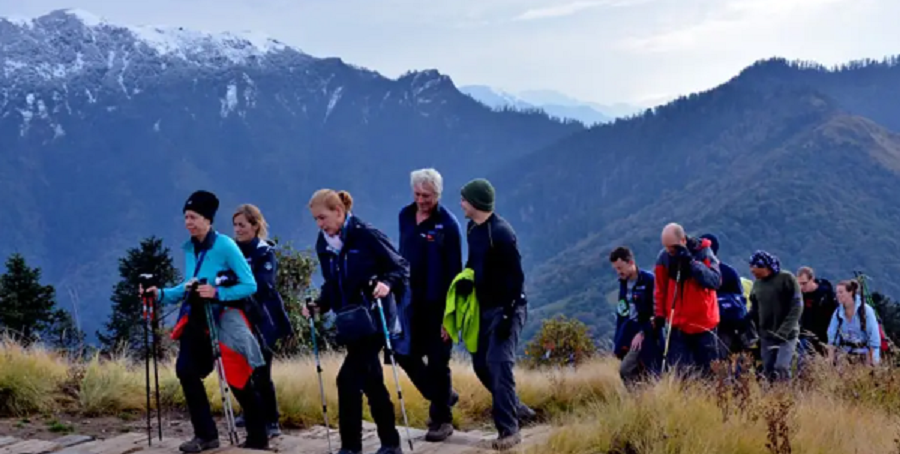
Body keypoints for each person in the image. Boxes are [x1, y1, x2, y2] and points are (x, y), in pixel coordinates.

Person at [142, 190, 269, 452]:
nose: (188, 222)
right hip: (196, 318)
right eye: (186, 217)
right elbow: (190, 285)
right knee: (186, 371)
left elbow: (250, 284)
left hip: (223, 317)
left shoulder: (225, 246)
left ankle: (258, 436)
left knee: (238, 378)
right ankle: (206, 436)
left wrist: (217, 292)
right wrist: (161, 294)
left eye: (194, 217)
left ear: (208, 220)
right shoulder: (191, 248)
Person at [305, 189, 408, 454]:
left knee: (347, 380)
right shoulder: (324, 242)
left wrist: (387, 284)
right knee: (372, 382)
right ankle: (390, 443)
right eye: (316, 219)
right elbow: (332, 282)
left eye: (322, 217)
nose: (320, 224)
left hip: (374, 319)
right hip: (349, 322)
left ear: (339, 212)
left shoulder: (366, 234)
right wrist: (320, 305)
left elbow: (400, 267)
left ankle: (351, 448)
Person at [457, 178, 534, 451]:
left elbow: (516, 277)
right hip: (484, 308)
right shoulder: (472, 229)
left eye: (464, 199)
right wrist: (467, 279)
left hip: (508, 309)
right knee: (481, 365)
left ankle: (509, 431)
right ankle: (517, 408)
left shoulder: (501, 233)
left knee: (499, 364)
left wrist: (507, 316)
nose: (461, 203)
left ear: (476, 202)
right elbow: (473, 261)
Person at [397, 168, 462, 442]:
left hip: (438, 304)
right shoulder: (404, 216)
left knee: (438, 361)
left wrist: (450, 317)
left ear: (438, 194)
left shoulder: (448, 225)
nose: (422, 199)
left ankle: (441, 420)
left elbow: (455, 273)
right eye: (418, 194)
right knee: (404, 354)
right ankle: (444, 395)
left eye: (428, 195)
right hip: (410, 301)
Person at [232, 204, 294, 438]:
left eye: (242, 225)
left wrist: (235, 284)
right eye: (235, 225)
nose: (237, 229)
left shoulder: (264, 251)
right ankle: (249, 412)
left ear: (255, 226)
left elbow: (263, 284)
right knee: (241, 367)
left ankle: (272, 420)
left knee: (261, 370)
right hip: (239, 316)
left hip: (264, 318)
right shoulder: (232, 250)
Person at [653, 223, 721, 376]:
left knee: (709, 373)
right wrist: (659, 315)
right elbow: (659, 289)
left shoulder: (704, 252)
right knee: (680, 374)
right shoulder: (664, 258)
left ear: (683, 240)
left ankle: (711, 399)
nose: (670, 251)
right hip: (677, 325)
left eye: (673, 247)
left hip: (704, 325)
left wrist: (692, 264)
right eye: (666, 247)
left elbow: (715, 281)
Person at [747, 250, 803, 382]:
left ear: (764, 267)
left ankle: (785, 396)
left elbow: (797, 306)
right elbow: (755, 309)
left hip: (787, 335)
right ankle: (771, 398)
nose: (751, 270)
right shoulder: (757, 285)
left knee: (781, 367)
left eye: (753, 267)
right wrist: (745, 322)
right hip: (766, 335)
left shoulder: (786, 279)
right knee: (768, 369)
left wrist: (784, 330)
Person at [608, 246, 660, 385]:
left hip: (647, 334)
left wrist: (643, 332)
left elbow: (658, 311)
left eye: (620, 268)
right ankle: (638, 400)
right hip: (628, 332)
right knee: (634, 371)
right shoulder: (623, 284)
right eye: (616, 269)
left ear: (631, 262)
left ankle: (642, 399)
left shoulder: (649, 280)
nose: (619, 272)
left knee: (630, 370)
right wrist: (617, 341)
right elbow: (622, 312)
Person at [698, 233, 753, 357]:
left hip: (705, 323)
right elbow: (739, 298)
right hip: (728, 323)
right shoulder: (729, 272)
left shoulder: (696, 272)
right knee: (723, 357)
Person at [827, 279, 882, 366]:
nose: (838, 295)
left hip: (864, 354)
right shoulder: (838, 312)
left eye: (841, 292)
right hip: (844, 355)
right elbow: (832, 337)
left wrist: (874, 361)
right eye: (837, 292)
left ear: (850, 292)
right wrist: (831, 359)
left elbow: (874, 337)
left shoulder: (865, 311)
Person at [796, 266, 838, 365]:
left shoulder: (825, 295)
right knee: (803, 364)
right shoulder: (799, 295)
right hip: (806, 335)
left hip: (825, 335)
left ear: (812, 279)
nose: (802, 287)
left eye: (804, 283)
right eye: (799, 284)